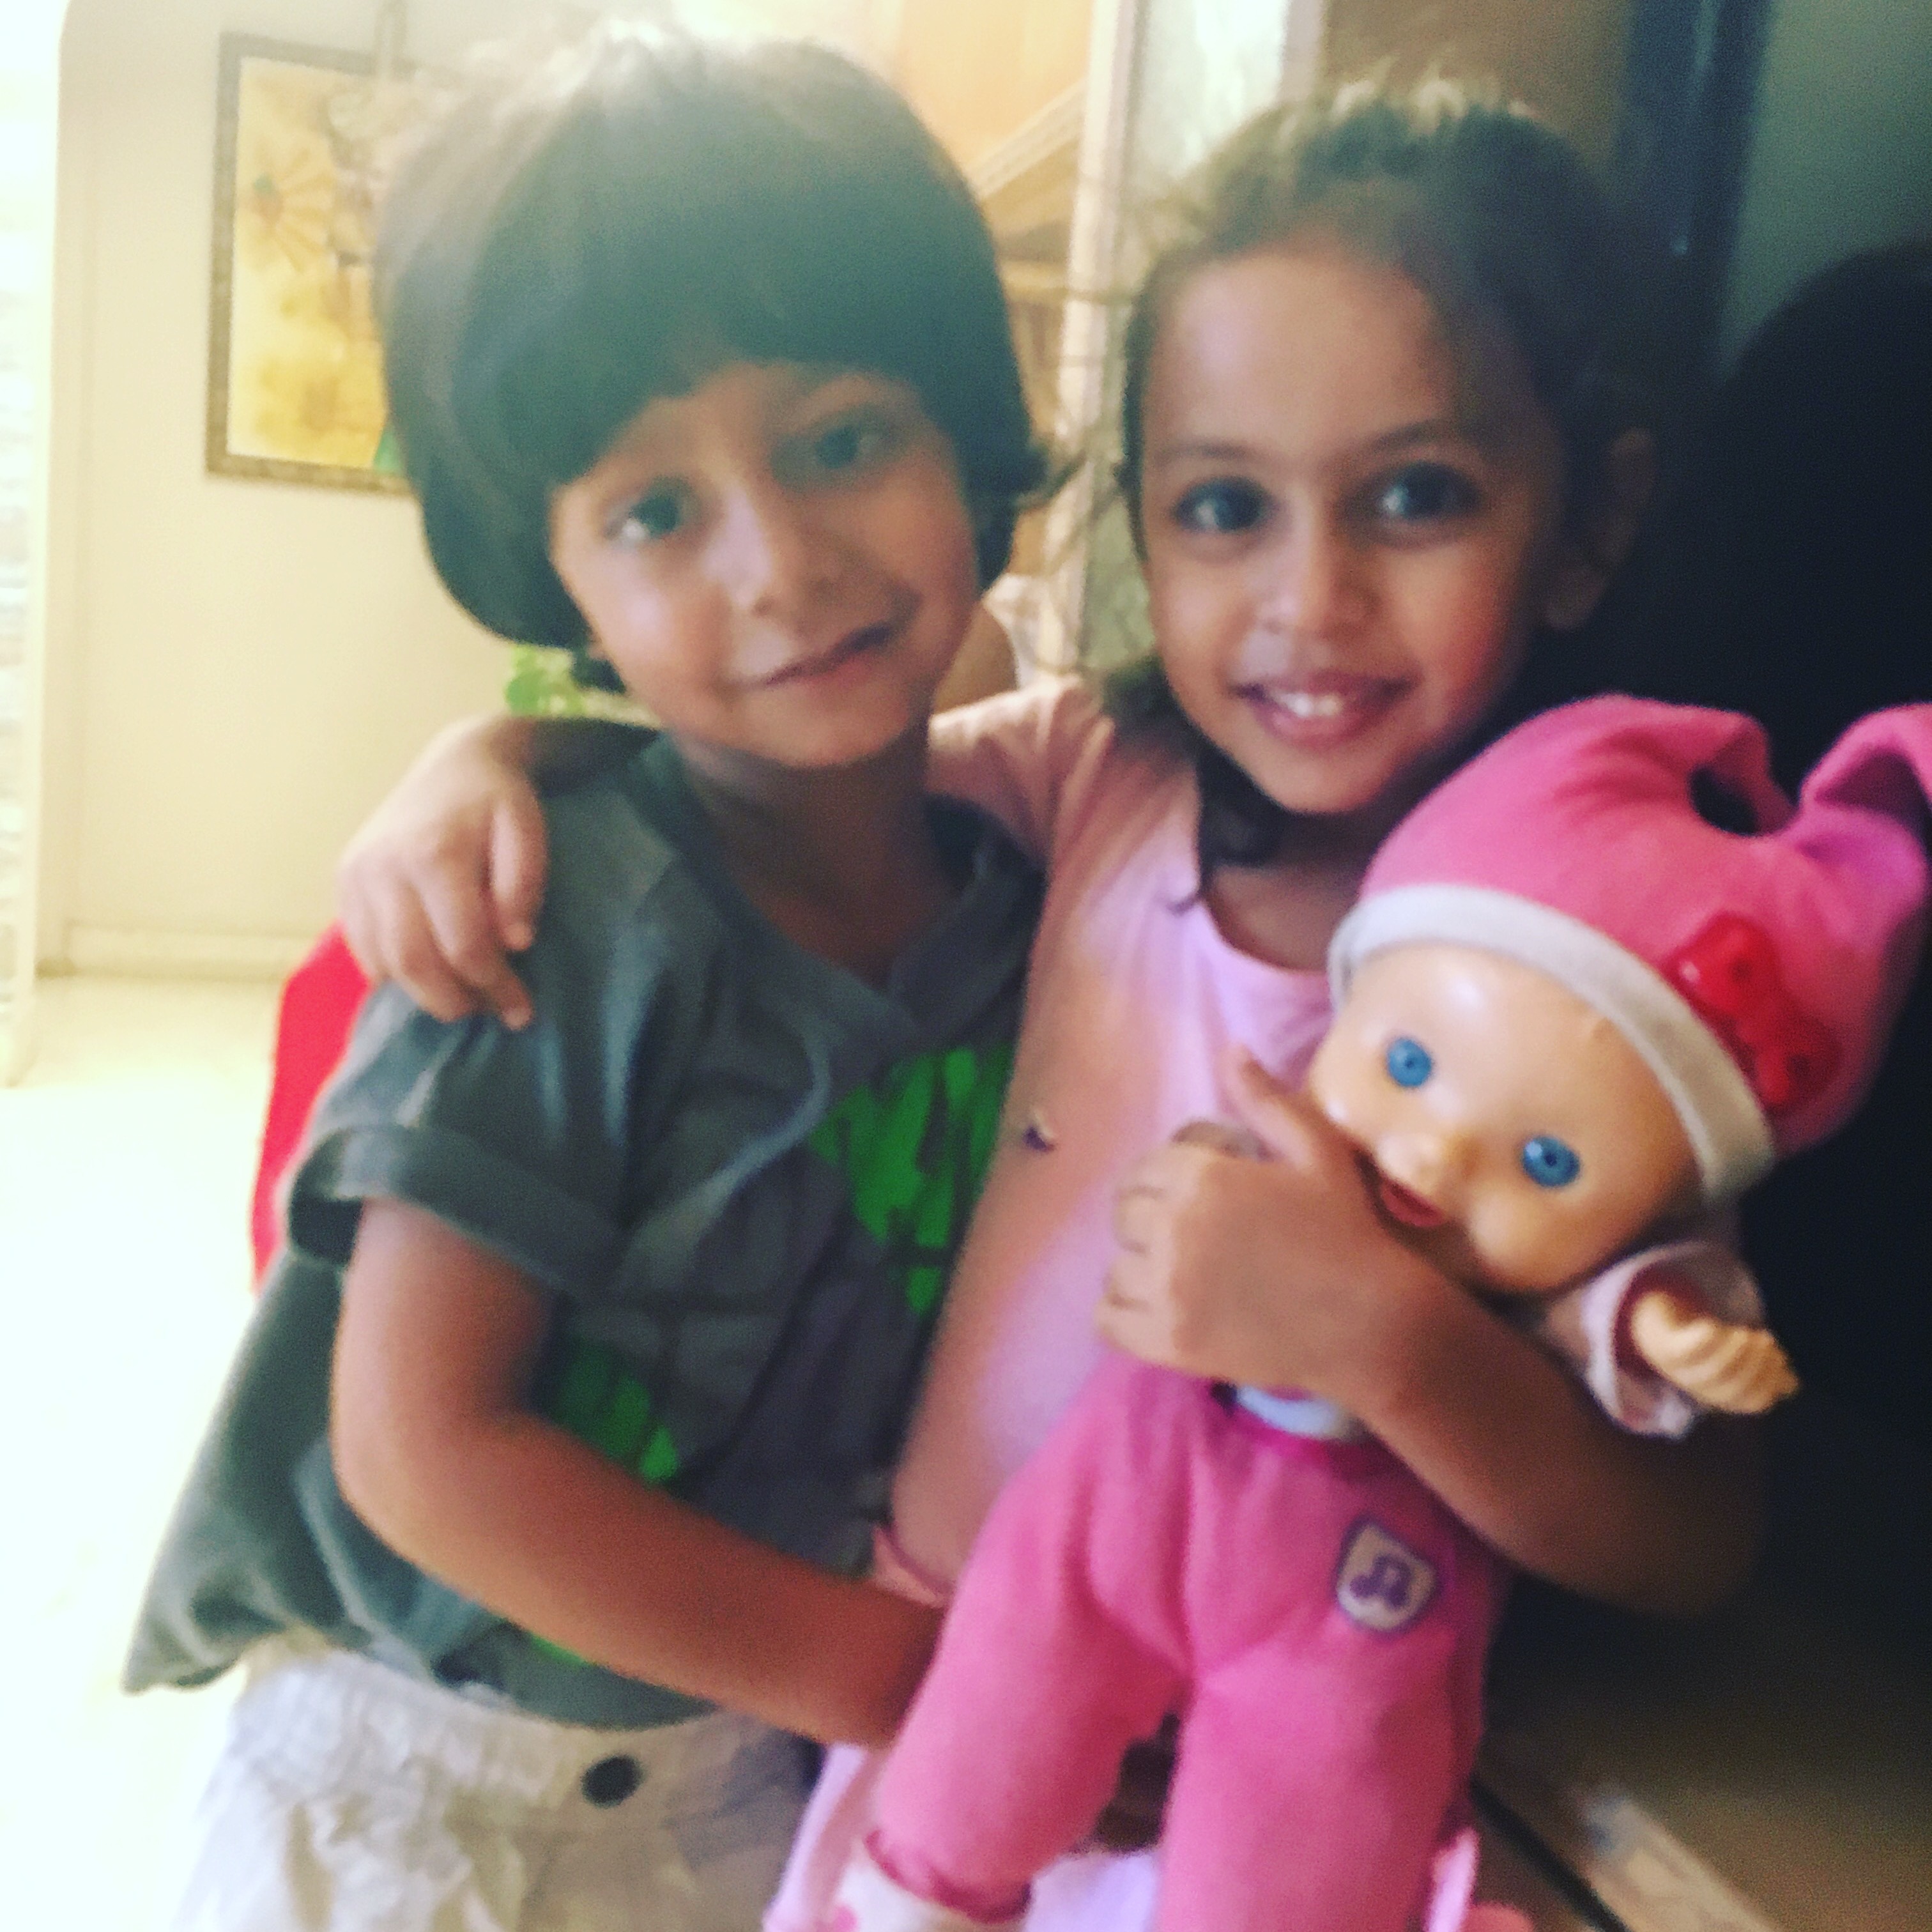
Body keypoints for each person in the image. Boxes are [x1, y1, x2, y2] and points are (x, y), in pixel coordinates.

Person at [335, 83, 1771, 1930]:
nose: (1309, 600)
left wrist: (1389, 1341)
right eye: (1222, 508)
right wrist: (493, 753)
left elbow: (1694, 1536)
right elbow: (779, 767)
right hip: (941, 1725)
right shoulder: (1099, 774)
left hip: (1251, 1800)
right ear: (1140, 524)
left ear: (1589, 521)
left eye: (1416, 495)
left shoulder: (1602, 962)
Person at [125, 25, 1050, 1932]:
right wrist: (921, 1688)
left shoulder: (1031, 895)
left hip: (742, 1784)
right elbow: (422, 1452)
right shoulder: (552, 920)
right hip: (416, 1809)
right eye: (655, 512)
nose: (779, 565)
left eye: (843, 441)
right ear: (562, 591)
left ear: (969, 435)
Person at [836, 687, 1932, 1932]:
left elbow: (1640, 1387)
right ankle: (917, 1893)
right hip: (1100, 1532)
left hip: (1347, 1610)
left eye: (1550, 1165)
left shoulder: (1554, 1291)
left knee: (1317, 1807)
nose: (1434, 1153)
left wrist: (1655, 1330)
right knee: (1000, 1716)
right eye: (1407, 1064)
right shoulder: (1231, 1045)